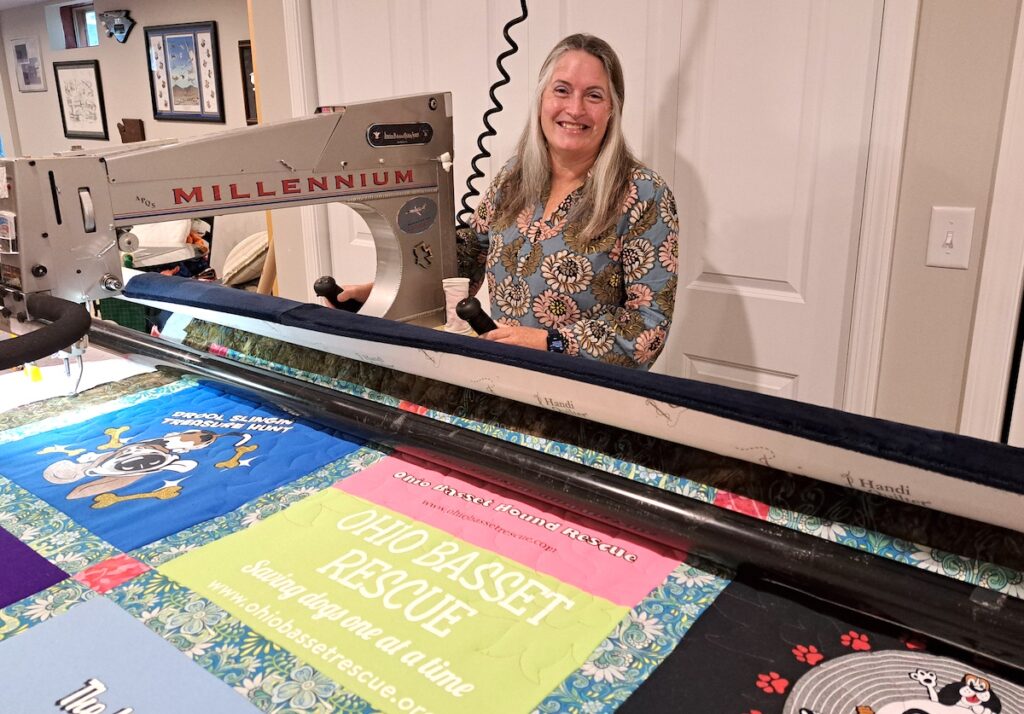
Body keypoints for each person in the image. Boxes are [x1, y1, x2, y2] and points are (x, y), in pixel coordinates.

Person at [335, 34, 678, 370]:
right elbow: (469, 255)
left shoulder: (643, 194)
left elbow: (648, 328)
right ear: (542, 98)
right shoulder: (514, 176)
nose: (574, 108)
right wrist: (390, 293)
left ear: (612, 110)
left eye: (593, 95)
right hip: (505, 376)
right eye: (562, 90)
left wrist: (550, 342)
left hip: (584, 397)